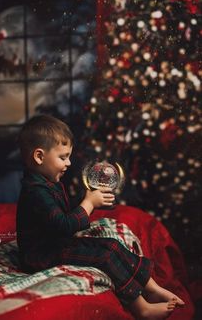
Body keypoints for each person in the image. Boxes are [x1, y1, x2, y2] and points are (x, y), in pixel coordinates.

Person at [16, 114, 185, 319]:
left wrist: (90, 199)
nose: (69, 163)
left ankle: (152, 288)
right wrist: (88, 204)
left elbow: (64, 213)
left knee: (112, 245)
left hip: (56, 244)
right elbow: (64, 225)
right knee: (105, 256)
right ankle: (142, 308)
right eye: (63, 157)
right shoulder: (35, 191)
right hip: (41, 256)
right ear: (39, 157)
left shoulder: (48, 182)